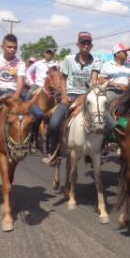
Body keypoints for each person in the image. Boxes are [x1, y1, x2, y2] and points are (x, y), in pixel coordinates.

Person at [43, 32, 96, 164]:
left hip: (86, 96)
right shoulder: (68, 59)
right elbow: (63, 79)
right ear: (78, 44)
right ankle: (53, 150)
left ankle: (96, 149)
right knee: (54, 122)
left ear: (91, 45)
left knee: (108, 123)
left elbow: (93, 82)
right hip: (71, 95)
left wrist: (88, 95)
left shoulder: (96, 61)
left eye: (88, 43)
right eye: (83, 43)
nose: (86, 45)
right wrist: (64, 96)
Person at [92, 42, 130, 144]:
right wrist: (117, 85)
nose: (127, 54)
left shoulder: (129, 66)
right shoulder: (107, 65)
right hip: (112, 91)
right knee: (103, 105)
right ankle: (106, 129)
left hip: (127, 93)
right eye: (125, 52)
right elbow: (101, 80)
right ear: (117, 54)